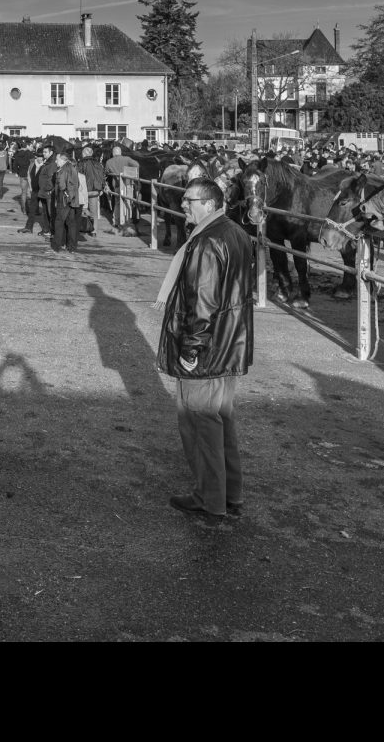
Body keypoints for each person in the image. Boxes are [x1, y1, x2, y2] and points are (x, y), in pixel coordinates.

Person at [157, 178, 255, 522]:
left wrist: (191, 348)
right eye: (183, 201)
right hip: (229, 344)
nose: (183, 206)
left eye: (189, 201)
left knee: (199, 423)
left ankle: (210, 498)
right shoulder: (236, 232)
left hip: (208, 349)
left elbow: (204, 300)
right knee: (221, 423)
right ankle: (230, 493)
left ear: (210, 204)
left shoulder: (207, 242)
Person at [50, 149, 82, 254]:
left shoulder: (63, 170)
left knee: (59, 222)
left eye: (57, 159)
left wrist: (64, 194)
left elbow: (62, 184)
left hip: (64, 199)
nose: (56, 161)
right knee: (71, 223)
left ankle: (57, 245)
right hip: (73, 199)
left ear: (63, 160)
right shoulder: (73, 168)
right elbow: (77, 184)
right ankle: (72, 246)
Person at [77, 144, 106, 236]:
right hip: (96, 190)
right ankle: (94, 231)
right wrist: (102, 187)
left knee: (82, 209)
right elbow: (102, 176)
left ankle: (83, 228)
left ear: (84, 154)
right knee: (94, 211)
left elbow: (78, 177)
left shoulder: (81, 163)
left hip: (85, 190)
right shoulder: (98, 164)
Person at [35, 142, 58, 239]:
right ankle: (46, 229)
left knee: (50, 212)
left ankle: (53, 231)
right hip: (43, 192)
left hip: (48, 192)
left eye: (45, 152)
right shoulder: (46, 162)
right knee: (45, 212)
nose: (43, 154)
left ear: (51, 152)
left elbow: (51, 178)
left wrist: (48, 189)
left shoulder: (52, 164)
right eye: (43, 152)